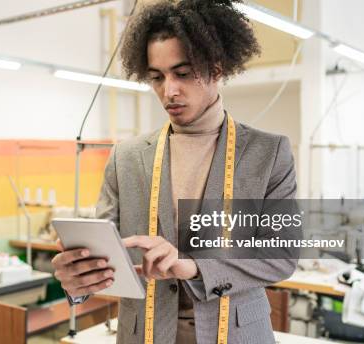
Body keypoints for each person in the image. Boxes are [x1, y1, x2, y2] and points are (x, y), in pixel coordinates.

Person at [51, 1, 298, 343]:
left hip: (238, 333)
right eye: (157, 77)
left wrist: (196, 267)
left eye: (182, 73)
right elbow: (109, 258)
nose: (169, 91)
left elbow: (280, 257)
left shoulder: (267, 154)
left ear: (217, 68)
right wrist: (78, 280)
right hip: (146, 333)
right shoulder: (126, 158)